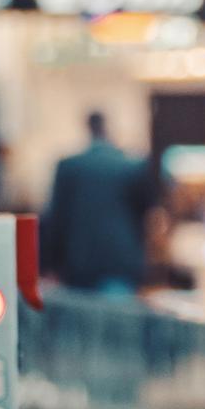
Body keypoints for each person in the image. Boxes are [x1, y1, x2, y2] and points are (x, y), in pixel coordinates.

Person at [42, 111, 163, 298]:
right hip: (121, 261)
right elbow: (148, 216)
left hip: (78, 264)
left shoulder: (68, 167)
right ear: (108, 127)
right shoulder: (132, 166)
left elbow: (55, 220)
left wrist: (49, 265)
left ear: (87, 128)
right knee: (119, 323)